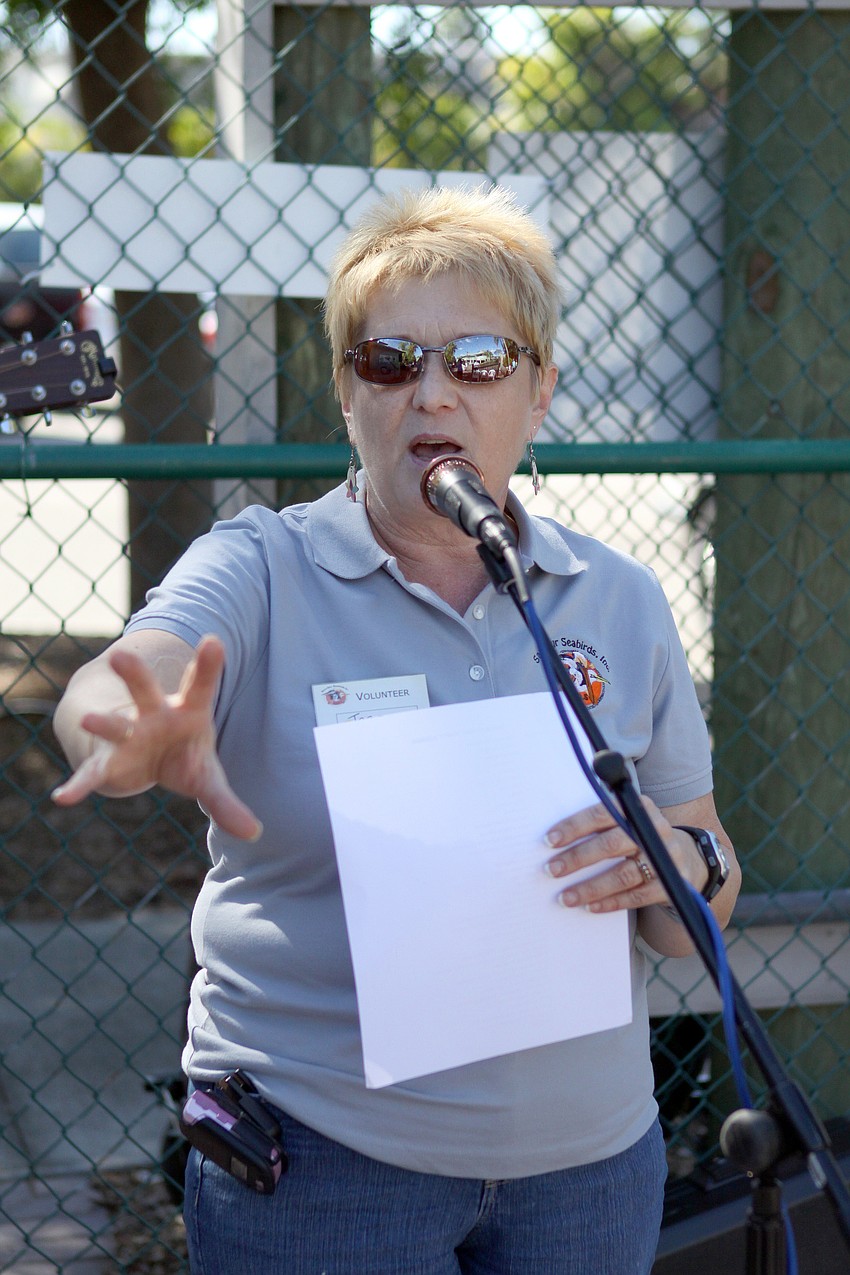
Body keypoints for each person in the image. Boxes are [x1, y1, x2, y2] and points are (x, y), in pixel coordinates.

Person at [52, 184, 741, 1275]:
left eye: (477, 361)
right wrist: (121, 722)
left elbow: (698, 890)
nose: (433, 392)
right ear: (347, 390)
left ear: (539, 388)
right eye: (389, 362)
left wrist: (674, 865)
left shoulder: (616, 597)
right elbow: (136, 669)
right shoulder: (261, 567)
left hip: (591, 1168)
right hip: (328, 1166)